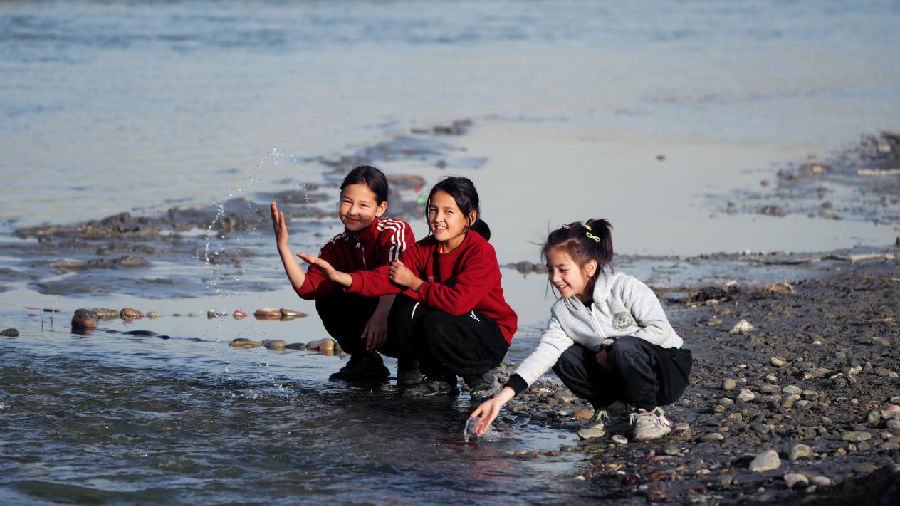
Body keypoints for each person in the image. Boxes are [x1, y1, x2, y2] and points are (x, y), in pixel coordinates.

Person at [471, 220, 692, 441]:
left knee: (625, 348)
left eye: (563, 270)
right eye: (550, 270)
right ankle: (616, 412)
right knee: (561, 356)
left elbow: (660, 329)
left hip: (665, 373)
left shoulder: (625, 287)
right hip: (619, 374)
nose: (555, 278)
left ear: (589, 267)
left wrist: (612, 349)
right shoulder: (563, 311)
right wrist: (500, 398)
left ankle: (649, 414)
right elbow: (543, 354)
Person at [300, 176, 517, 402]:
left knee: (436, 321)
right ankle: (439, 379)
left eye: (448, 212)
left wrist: (415, 282)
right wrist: (341, 277)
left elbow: (458, 302)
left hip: (489, 333)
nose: (438, 219)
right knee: (405, 309)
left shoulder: (480, 252)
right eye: (433, 210)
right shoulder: (425, 248)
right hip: (450, 322)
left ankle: (481, 376)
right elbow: (386, 277)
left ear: (469, 218)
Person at [271, 165, 415, 383]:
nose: (352, 211)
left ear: (380, 208)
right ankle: (365, 361)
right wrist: (283, 248)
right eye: (347, 201)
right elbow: (307, 288)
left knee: (409, 305)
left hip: (399, 315)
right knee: (326, 297)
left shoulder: (395, 231)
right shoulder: (337, 246)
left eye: (363, 205)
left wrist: (380, 316)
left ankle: (412, 364)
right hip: (372, 318)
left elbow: (394, 276)